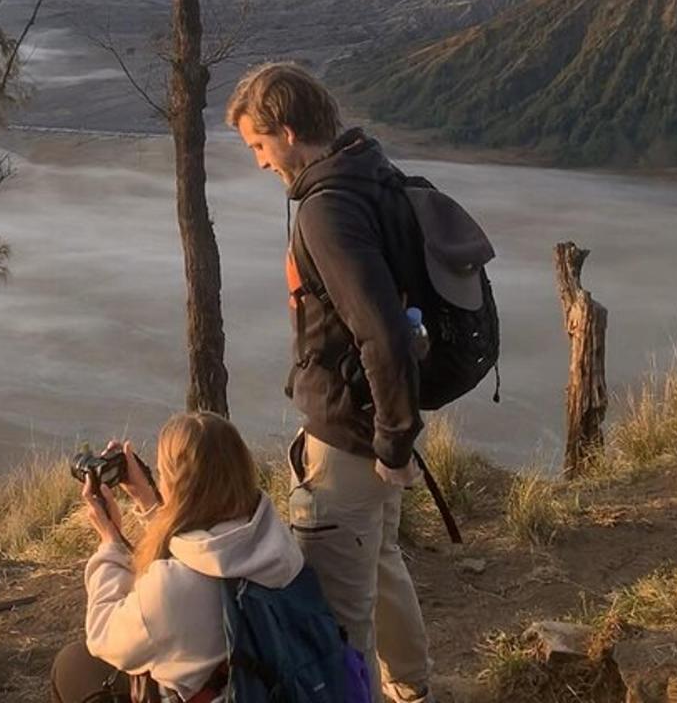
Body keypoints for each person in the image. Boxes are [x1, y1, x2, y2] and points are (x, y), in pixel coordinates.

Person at [226, 62, 436, 703]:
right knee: (382, 561)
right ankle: (413, 689)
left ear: (287, 133)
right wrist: (394, 434)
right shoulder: (370, 171)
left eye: (258, 147)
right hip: (374, 422)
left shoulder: (325, 210)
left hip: (348, 436)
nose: (260, 164)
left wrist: (395, 443)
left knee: (343, 611)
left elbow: (381, 332)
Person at [50, 411, 304, 703]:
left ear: (176, 485)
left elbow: (103, 633)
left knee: (72, 664)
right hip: (268, 690)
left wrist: (110, 543)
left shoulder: (172, 587)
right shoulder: (278, 544)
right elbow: (204, 544)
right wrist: (148, 501)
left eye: (163, 473)